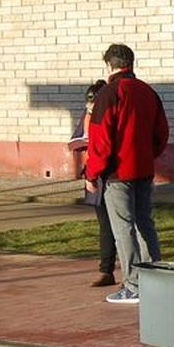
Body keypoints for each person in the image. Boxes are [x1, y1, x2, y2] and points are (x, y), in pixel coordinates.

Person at [86, 44, 170, 305]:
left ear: (109, 65)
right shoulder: (148, 92)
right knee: (145, 223)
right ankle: (157, 276)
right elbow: (161, 133)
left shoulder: (109, 94)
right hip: (144, 169)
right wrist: (147, 155)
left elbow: (100, 141)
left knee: (123, 228)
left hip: (117, 173)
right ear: (131, 63)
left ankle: (133, 285)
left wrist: (92, 174)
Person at [68, 79, 118, 288]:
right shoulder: (87, 116)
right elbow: (74, 140)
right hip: (94, 175)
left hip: (112, 175)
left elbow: (107, 145)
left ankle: (134, 271)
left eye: (92, 105)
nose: (89, 109)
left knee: (124, 225)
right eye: (87, 105)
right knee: (105, 225)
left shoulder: (109, 115)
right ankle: (106, 270)